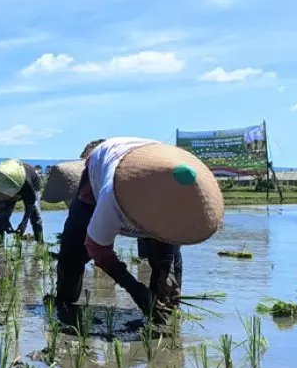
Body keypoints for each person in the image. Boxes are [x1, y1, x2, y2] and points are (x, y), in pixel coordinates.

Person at [54, 137, 224, 321]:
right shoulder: (112, 196)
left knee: (166, 269)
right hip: (103, 162)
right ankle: (65, 309)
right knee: (73, 248)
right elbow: (97, 247)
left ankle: (164, 311)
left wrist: (165, 273)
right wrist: (133, 287)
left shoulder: (182, 204)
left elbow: (168, 247)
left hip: (156, 157)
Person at [0, 160, 44, 243]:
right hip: (10, 187)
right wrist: (5, 221)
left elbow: (31, 205)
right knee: (1, 215)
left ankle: (40, 241)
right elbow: (0, 207)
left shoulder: (27, 184)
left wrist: (23, 224)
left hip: (32, 186)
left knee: (35, 214)